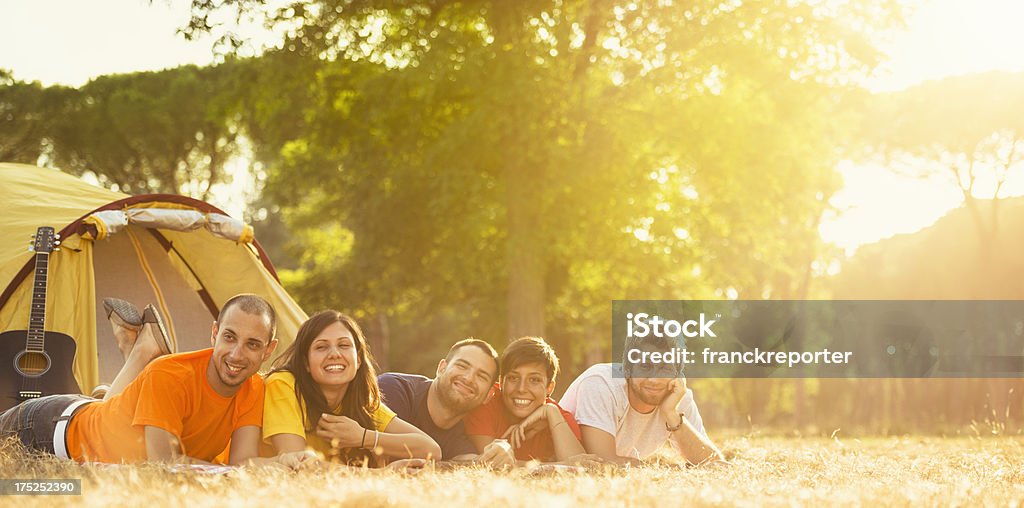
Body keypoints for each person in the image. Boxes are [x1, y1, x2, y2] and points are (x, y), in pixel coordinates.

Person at [0, 294, 300, 467]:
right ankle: (138, 353)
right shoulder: (171, 375)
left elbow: (241, 463)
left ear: (269, 350)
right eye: (229, 337)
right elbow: (164, 465)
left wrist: (282, 463)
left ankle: (134, 356)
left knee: (116, 408)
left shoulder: (254, 387)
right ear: (214, 334)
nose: (237, 355)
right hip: (45, 428)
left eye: (253, 344)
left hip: (97, 417)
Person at [262, 310, 439, 468]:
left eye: (344, 345)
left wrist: (363, 437)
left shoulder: (362, 401)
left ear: (359, 359)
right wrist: (383, 476)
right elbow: (298, 465)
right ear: (306, 362)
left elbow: (431, 450)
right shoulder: (283, 383)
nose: (334, 354)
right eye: (321, 347)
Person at [559, 335, 724, 465]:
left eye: (666, 368)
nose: (654, 380)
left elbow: (713, 463)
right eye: (645, 367)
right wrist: (656, 469)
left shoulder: (677, 394)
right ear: (627, 368)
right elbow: (602, 464)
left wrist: (671, 414)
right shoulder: (601, 382)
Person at [377, 338, 515, 466]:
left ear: (489, 395)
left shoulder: (464, 432)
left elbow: (470, 463)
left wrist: (501, 452)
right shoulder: (393, 389)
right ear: (441, 368)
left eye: (481, 376)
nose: (469, 378)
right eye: (462, 366)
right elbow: (381, 456)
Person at [464, 336, 585, 462]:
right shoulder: (486, 401)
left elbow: (580, 466)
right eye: (513, 378)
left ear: (549, 387)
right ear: (501, 381)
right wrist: (557, 466)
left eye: (534, 380)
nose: (521, 389)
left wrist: (550, 411)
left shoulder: (558, 417)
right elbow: (492, 463)